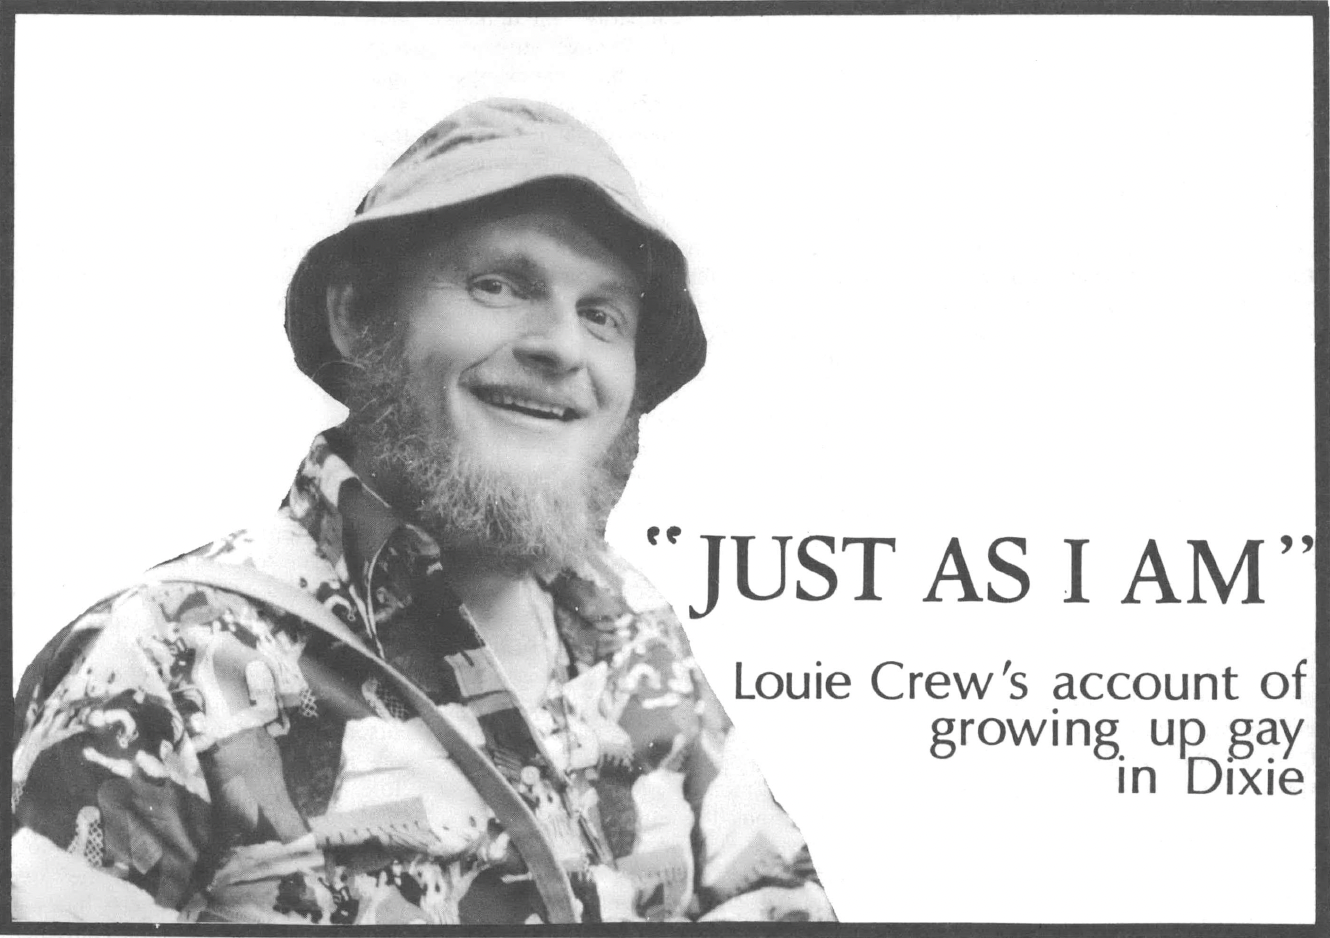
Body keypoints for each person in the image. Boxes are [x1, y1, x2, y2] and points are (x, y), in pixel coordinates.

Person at [11, 99, 835, 925]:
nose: (562, 345)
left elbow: (776, 901)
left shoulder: (634, 629)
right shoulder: (163, 663)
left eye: (602, 314)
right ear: (356, 314)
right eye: (499, 284)